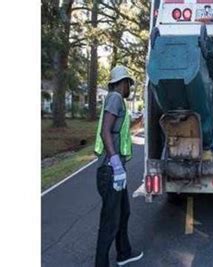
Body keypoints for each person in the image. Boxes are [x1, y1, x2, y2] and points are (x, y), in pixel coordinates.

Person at [93, 65, 143, 267]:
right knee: (110, 221)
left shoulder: (118, 101)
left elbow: (120, 129)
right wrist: (116, 164)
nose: (130, 86)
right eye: (128, 83)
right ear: (121, 83)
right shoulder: (114, 98)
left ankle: (124, 253)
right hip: (111, 170)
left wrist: (141, 119)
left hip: (114, 170)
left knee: (123, 213)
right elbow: (106, 131)